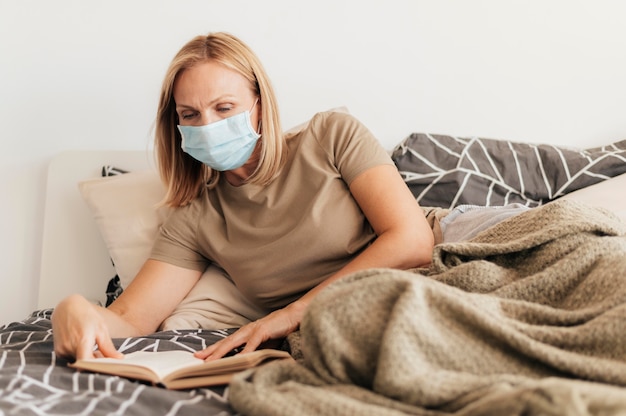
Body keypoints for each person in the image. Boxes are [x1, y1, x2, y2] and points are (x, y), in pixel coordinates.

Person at [51, 32, 435, 361]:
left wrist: (292, 312)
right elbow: (131, 320)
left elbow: (413, 241)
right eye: (191, 114)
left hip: (422, 278)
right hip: (340, 329)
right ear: (178, 126)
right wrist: (70, 310)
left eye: (224, 108)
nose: (208, 125)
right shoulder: (195, 219)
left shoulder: (330, 135)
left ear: (260, 106)